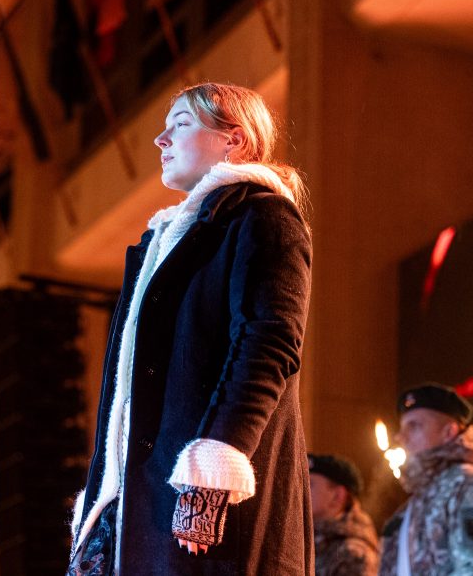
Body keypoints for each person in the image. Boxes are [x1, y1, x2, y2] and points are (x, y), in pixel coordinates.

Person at [66, 82, 313, 575]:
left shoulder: (264, 216)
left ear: (233, 141)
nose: (161, 140)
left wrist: (214, 467)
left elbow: (269, 341)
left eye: (180, 124)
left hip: (204, 497)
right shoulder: (164, 242)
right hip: (139, 499)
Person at [379, 382, 473, 575]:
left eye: (414, 426)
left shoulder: (470, 486)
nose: (401, 437)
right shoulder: (420, 496)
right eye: (402, 427)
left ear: (449, 432)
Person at [308, 453, 379, 575]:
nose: (300, 491)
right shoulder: (317, 542)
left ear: (337, 496)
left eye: (310, 485)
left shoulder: (353, 556)